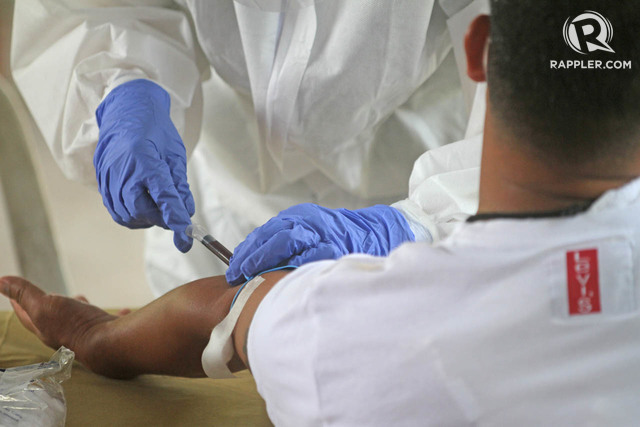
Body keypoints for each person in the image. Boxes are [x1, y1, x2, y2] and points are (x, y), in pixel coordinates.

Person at [5, 0, 640, 424]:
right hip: (265, 175)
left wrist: (91, 334)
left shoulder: (342, 331)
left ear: (476, 50)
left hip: (414, 166)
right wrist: (120, 83)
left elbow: (227, 313)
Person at [11, 0, 488, 295]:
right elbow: (93, 8)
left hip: (429, 184)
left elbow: (553, 78)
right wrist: (122, 86)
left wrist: (424, 220)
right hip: (222, 182)